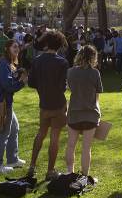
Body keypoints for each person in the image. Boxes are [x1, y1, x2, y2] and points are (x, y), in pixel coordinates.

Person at [28, 30, 70, 181]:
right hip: (58, 104)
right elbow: (62, 87)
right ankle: (50, 170)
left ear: (46, 43)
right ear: (59, 45)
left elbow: (31, 83)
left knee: (41, 133)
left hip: (44, 103)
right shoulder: (62, 62)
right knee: (54, 137)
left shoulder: (37, 60)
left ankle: (32, 166)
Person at [65, 45, 103, 187]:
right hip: (90, 114)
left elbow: (70, 88)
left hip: (74, 112)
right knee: (86, 148)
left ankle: (70, 173)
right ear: (93, 57)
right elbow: (97, 95)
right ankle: (84, 177)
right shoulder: (95, 73)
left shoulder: (70, 72)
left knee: (71, 145)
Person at [0, 40, 28, 174]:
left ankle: (12, 159)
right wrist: (21, 82)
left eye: (18, 47)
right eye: (14, 47)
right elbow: (8, 85)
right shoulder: (3, 64)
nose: (17, 49)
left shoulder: (9, 63)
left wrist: (18, 78)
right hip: (2, 102)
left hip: (6, 101)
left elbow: (9, 82)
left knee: (14, 128)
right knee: (4, 132)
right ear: (7, 48)